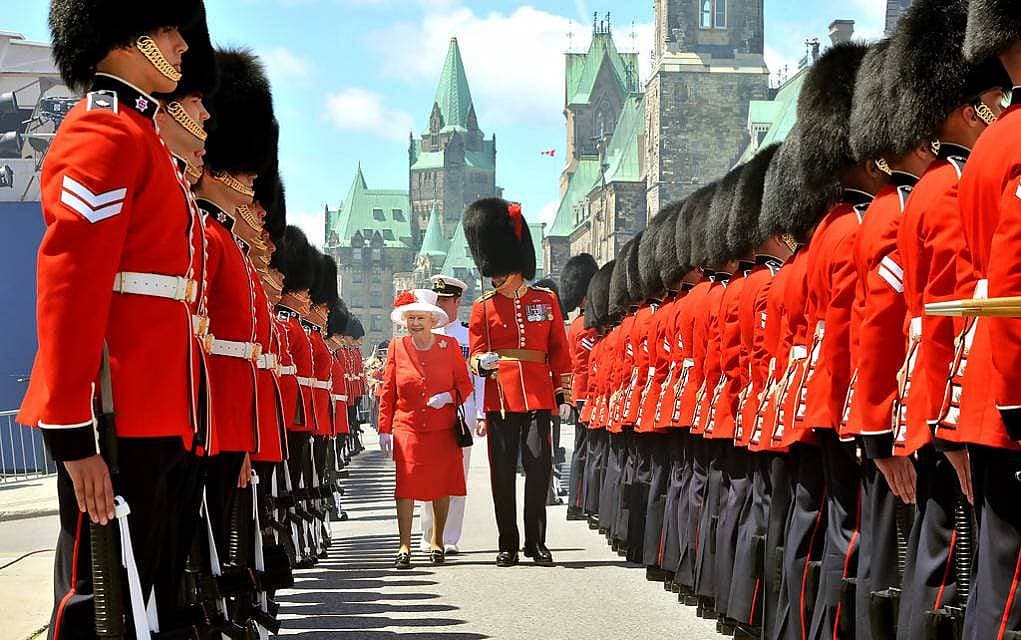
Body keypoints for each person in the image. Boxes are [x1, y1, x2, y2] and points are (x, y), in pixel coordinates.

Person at [17, 2, 206, 637]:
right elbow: (73, 283)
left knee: (138, 599)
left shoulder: (140, 135)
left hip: (152, 410)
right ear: (125, 36)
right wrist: (73, 433)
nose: (182, 45)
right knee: (95, 607)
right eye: (168, 28)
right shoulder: (104, 132)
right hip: (113, 415)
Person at [465, 198, 572, 567]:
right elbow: (474, 354)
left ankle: (536, 540)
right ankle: (507, 541)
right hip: (500, 399)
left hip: (539, 395)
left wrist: (564, 392)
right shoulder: (483, 306)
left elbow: (559, 349)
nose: (493, 276)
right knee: (503, 474)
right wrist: (482, 362)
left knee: (539, 466)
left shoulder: (546, 300)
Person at [377, 289, 473, 569]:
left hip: (442, 427)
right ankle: (404, 545)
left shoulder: (450, 345)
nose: (415, 323)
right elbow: (388, 389)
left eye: (420, 317)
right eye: (410, 318)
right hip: (407, 425)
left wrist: (448, 397)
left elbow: (464, 386)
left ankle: (437, 541)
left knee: (441, 485)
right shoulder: (397, 347)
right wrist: (384, 428)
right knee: (405, 486)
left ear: (432, 319)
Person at [417, 274, 483, 555]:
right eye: (438, 300)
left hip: (460, 411)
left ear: (458, 301)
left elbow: (478, 377)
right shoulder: (424, 333)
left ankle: (451, 536)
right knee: (427, 473)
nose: (441, 305)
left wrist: (481, 413)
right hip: (429, 411)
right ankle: (428, 533)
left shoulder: (468, 336)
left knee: (457, 475)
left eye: (446, 300)